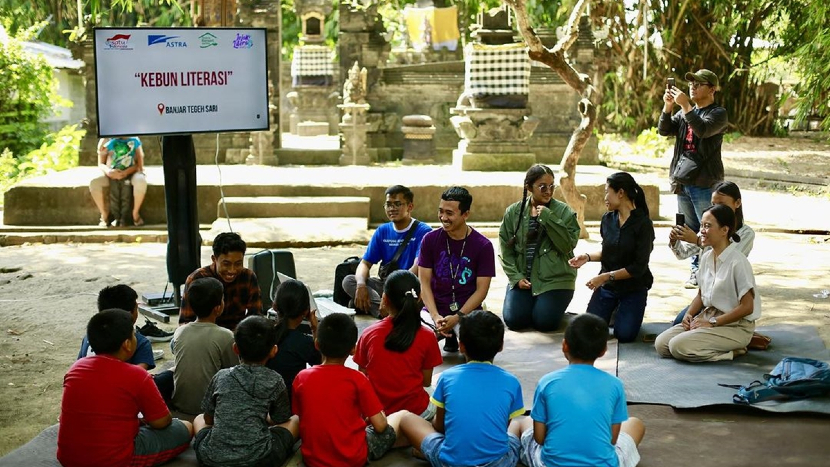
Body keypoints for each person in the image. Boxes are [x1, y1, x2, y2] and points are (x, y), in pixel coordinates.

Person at [57, 309, 193, 467]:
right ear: (127, 344)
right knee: (186, 427)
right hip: (115, 459)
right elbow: (161, 422)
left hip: (68, 457)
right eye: (134, 334)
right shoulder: (136, 375)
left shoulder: (76, 368)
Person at [511, 313, 645, 467]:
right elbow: (612, 440)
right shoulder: (615, 385)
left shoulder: (547, 382)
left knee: (524, 422)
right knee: (635, 424)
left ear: (564, 345)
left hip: (550, 463)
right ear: (603, 350)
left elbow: (540, 439)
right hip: (604, 464)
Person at [397, 310, 524, 467]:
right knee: (516, 425)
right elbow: (502, 427)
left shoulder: (447, 377)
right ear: (501, 346)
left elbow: (439, 426)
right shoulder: (511, 382)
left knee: (406, 418)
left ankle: (427, 452)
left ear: (461, 346)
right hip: (498, 463)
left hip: (451, 462)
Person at [292, 313, 404, 467]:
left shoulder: (301, 378)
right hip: (353, 459)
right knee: (395, 422)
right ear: (353, 349)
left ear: (317, 344)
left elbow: (300, 414)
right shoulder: (357, 379)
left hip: (313, 460)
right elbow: (380, 425)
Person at [655, 204, 761, 362]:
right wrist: (689, 314)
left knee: (678, 346)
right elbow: (701, 294)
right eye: (702, 225)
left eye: (708, 226)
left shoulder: (738, 262)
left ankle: (732, 352)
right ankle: (706, 344)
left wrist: (712, 322)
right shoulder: (706, 256)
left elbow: (747, 307)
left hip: (736, 326)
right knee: (662, 344)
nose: (702, 231)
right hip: (709, 317)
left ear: (724, 230)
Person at [193, 316, 299, 467]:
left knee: (198, 419)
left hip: (212, 459)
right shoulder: (275, 380)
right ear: (273, 350)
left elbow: (208, 419)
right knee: (295, 420)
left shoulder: (221, 376)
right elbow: (280, 419)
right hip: (259, 460)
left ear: (235, 348)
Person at [658, 68, 729, 289]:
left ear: (712, 88)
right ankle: (696, 270)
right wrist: (669, 107)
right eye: (691, 83)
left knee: (708, 228)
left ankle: (714, 271)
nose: (693, 87)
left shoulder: (717, 114)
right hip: (683, 180)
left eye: (699, 84)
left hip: (705, 182)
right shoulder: (685, 113)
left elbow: (702, 130)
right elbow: (664, 129)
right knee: (689, 229)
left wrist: (687, 106)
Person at [569, 172, 654, 343]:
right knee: (588, 330)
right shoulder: (608, 219)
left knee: (625, 335)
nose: (605, 197)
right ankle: (614, 311)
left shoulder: (643, 224)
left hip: (633, 288)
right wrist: (587, 257)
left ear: (621, 193)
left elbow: (638, 267)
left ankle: (622, 312)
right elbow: (609, 251)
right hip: (608, 288)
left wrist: (605, 276)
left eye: (607, 192)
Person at [499, 164, 580, 332]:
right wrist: (516, 277)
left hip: (555, 280)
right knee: (514, 321)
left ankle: (548, 309)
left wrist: (549, 219)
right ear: (529, 187)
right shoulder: (513, 212)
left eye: (552, 186)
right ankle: (538, 306)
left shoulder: (564, 212)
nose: (548, 191)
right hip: (525, 280)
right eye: (542, 187)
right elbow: (505, 250)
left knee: (545, 323)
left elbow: (567, 246)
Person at [354, 270, 443, 419]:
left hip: (377, 414)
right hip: (415, 412)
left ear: (385, 298)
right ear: (419, 297)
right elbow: (426, 381)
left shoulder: (369, 334)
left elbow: (362, 377)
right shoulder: (428, 336)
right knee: (438, 388)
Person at [419, 186, 496, 353]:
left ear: (465, 214)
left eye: (449, 213)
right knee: (415, 346)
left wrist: (457, 317)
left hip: (466, 313)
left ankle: (456, 336)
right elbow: (424, 283)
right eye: (440, 211)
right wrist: (435, 316)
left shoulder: (483, 246)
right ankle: (448, 335)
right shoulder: (429, 240)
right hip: (434, 312)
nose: (443, 217)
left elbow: (481, 291)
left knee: (480, 351)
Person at [669, 181, 755, 324]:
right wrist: (674, 241)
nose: (717, 209)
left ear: (737, 203)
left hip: (727, 297)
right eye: (713, 205)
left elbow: (727, 255)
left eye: (722, 204)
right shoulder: (708, 228)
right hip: (707, 296)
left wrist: (698, 240)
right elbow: (682, 254)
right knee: (680, 323)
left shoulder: (746, 234)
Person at [342, 185, 432, 318]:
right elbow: (365, 263)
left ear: (410, 207)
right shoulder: (382, 231)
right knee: (349, 281)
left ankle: (379, 309)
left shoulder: (424, 231)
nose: (392, 208)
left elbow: (417, 267)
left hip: (409, 287)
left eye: (397, 204)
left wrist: (392, 289)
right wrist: (361, 286)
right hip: (385, 285)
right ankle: (388, 311)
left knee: (415, 297)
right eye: (388, 204)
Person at [168, 277, 238, 414]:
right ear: (218, 308)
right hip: (210, 411)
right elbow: (234, 371)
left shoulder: (180, 331)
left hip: (180, 406)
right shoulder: (226, 336)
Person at [179, 232, 263, 330]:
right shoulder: (197, 278)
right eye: (226, 264)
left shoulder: (248, 277)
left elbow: (256, 316)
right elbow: (185, 322)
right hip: (205, 335)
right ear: (214, 259)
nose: (232, 270)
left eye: (238, 263)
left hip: (237, 336)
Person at [265, 278, 322, 404]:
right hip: (288, 406)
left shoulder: (264, 335)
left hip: (261, 403)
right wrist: (315, 329)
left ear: (274, 306)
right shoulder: (303, 342)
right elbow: (324, 365)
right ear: (306, 311)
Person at [77, 284, 156, 371]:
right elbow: (140, 377)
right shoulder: (139, 342)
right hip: (122, 383)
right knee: (168, 375)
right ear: (130, 314)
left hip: (86, 382)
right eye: (136, 308)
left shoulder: (89, 337)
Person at [89, 137, 147, 227]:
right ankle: (105, 215)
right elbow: (101, 163)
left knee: (136, 185)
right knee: (97, 183)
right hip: (112, 172)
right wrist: (109, 172)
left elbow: (139, 164)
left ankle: (135, 215)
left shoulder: (134, 140)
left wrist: (126, 172)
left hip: (131, 171)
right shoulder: (108, 140)